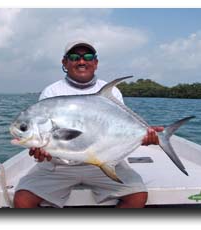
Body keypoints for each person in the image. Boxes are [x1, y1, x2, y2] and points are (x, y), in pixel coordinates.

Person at [12, 40, 162, 208]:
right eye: (75, 57)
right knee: (22, 201)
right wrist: (41, 152)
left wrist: (143, 136)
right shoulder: (52, 92)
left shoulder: (110, 91)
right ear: (65, 62)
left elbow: (118, 130)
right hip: (58, 166)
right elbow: (54, 141)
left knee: (138, 196)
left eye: (88, 57)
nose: (82, 61)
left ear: (95, 63)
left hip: (103, 159)